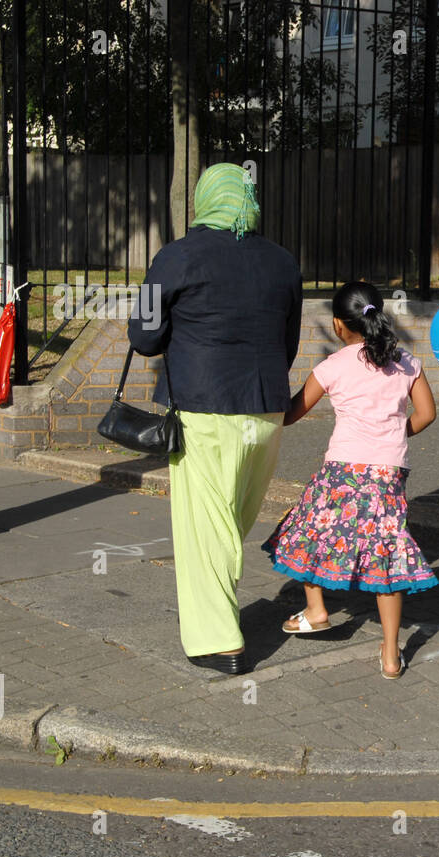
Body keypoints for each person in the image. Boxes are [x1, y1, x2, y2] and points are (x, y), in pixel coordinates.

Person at [129, 162, 302, 676]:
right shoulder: (282, 261)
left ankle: (220, 641)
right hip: (266, 409)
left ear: (205, 199)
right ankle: (221, 613)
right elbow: (287, 343)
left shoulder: (176, 256)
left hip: (204, 410)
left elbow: (143, 337)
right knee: (230, 523)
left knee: (207, 527)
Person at [262, 281, 438, 680]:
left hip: (342, 467)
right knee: (386, 553)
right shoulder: (407, 361)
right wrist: (392, 434)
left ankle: (316, 609)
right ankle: (392, 656)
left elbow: (291, 414)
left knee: (309, 530)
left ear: (340, 326)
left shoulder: (333, 366)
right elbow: (427, 414)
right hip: (389, 471)